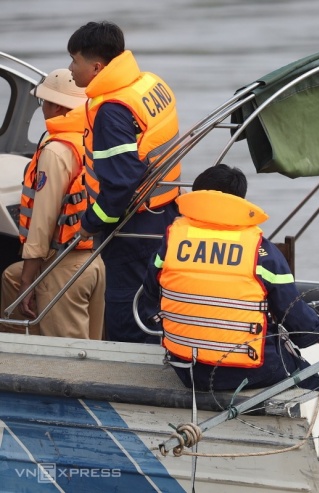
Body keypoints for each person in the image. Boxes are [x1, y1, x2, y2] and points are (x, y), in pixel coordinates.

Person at [140, 164, 319, 427]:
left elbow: (150, 297)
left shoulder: (171, 244)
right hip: (244, 372)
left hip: (188, 370)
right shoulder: (260, 251)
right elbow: (295, 316)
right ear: (239, 201)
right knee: (302, 373)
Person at [67, 21, 182, 343]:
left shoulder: (112, 111)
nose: (70, 69)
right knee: (156, 304)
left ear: (96, 66)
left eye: (74, 61)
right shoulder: (147, 84)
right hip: (164, 211)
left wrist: (90, 223)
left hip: (133, 227)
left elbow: (120, 184)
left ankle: (135, 387)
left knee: (128, 314)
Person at [1, 69, 105, 338]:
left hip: (65, 266)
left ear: (56, 105)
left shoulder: (56, 151)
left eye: (43, 102)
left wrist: (28, 279)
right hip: (97, 259)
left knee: (70, 363)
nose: (43, 108)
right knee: (95, 347)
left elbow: (42, 222)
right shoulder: (95, 137)